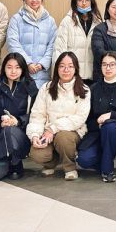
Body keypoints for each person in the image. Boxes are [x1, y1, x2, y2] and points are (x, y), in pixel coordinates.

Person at [27, 51, 90, 180]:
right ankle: (51, 163)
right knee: (37, 154)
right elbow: (37, 115)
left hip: (71, 132)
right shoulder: (46, 88)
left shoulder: (84, 90)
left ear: (76, 69)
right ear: (56, 69)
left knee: (63, 138)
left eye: (70, 66)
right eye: (62, 66)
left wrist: (53, 129)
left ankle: (70, 167)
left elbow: (79, 118)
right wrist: (34, 136)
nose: (66, 70)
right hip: (47, 132)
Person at [77, 51, 116, 182]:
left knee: (110, 126)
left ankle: (107, 171)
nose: (108, 68)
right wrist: (98, 124)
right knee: (84, 160)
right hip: (97, 134)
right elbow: (87, 118)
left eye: (112, 64)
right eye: (104, 64)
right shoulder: (94, 89)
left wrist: (112, 115)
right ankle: (106, 160)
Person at [0, 52, 40, 180]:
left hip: (22, 134)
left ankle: (15, 161)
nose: (13, 71)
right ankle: (5, 160)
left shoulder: (30, 87)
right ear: (4, 68)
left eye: (17, 67)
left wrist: (18, 121)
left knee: (10, 130)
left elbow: (38, 115)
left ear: (23, 69)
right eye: (9, 67)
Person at [6, 0, 57, 88]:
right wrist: (27, 63)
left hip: (43, 73)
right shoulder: (16, 19)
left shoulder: (50, 21)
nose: (34, 0)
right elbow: (13, 43)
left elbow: (53, 45)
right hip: (21, 71)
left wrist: (42, 64)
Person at [54, 0, 102, 83]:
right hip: (72, 75)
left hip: (92, 76)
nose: (84, 3)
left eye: (87, 0)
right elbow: (59, 49)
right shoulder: (67, 21)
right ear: (75, 2)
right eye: (80, 0)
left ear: (91, 2)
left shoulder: (98, 22)